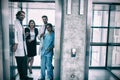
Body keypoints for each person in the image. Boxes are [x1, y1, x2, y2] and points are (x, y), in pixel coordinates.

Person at [13, 11, 33, 80]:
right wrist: (16, 43)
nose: (23, 17)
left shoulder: (20, 23)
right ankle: (23, 77)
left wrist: (25, 35)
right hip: (19, 47)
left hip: (23, 47)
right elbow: (15, 33)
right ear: (18, 15)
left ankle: (24, 76)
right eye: (21, 15)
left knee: (24, 63)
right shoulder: (16, 22)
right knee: (20, 63)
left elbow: (20, 35)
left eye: (24, 15)